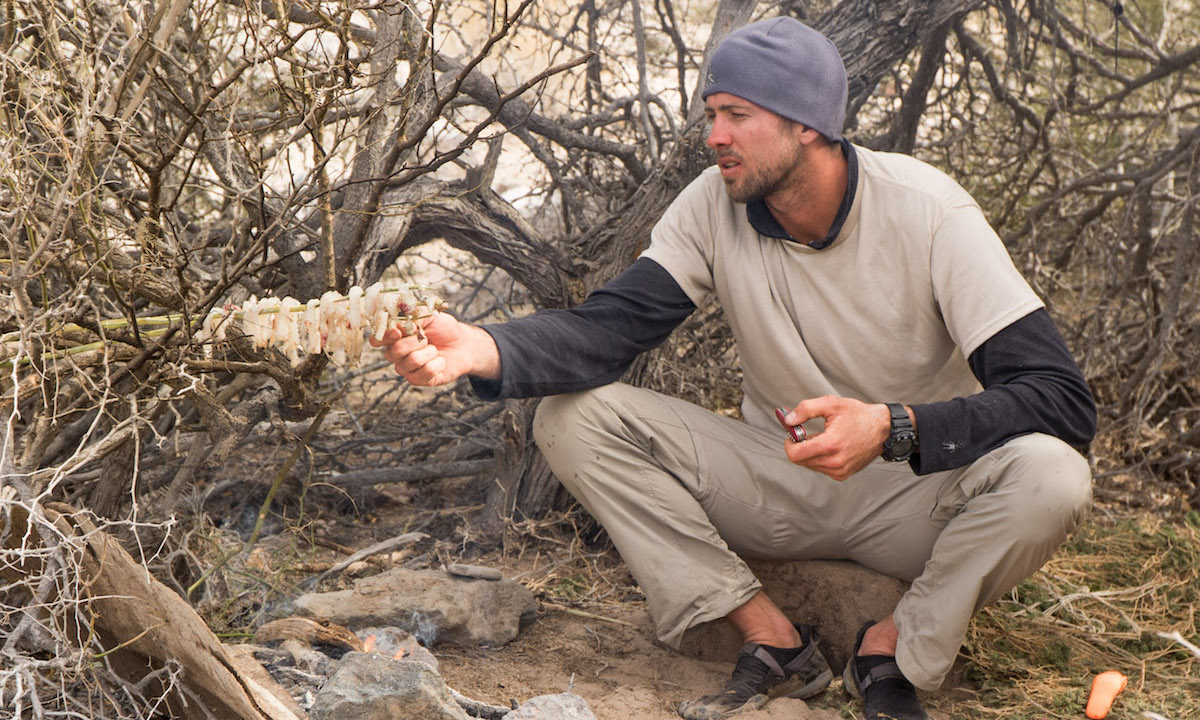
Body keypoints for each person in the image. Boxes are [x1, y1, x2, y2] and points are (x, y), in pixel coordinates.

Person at [372, 16, 1096, 720]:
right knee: (572, 417)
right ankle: (770, 637)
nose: (713, 135)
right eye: (712, 113)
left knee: (1054, 474)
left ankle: (894, 651)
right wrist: (481, 347)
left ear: (806, 124)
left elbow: (1060, 401)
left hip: (916, 497)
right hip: (777, 480)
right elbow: (609, 330)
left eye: (737, 114)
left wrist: (891, 429)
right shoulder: (711, 207)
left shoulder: (930, 212)